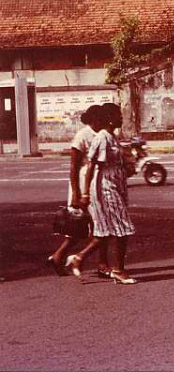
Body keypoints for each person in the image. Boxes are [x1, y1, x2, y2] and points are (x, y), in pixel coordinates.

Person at [66, 103, 137, 285]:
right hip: (105, 188)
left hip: (115, 185)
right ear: (111, 118)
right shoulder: (103, 138)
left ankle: (79, 258)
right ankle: (118, 270)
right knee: (122, 228)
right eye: (118, 115)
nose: (122, 118)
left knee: (107, 230)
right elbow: (91, 166)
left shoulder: (113, 137)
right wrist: (84, 195)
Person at [46, 105, 109, 277]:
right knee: (86, 226)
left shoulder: (104, 134)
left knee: (94, 226)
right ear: (94, 119)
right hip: (83, 185)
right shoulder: (82, 136)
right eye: (101, 118)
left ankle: (60, 256)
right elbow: (74, 166)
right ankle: (97, 263)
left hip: (98, 184)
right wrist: (76, 193)